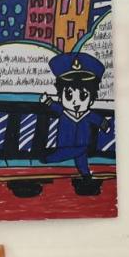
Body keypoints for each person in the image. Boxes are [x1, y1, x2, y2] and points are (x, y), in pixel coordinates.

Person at [40, 51, 109, 194]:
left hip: (82, 144)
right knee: (74, 152)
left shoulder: (87, 114)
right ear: (61, 95)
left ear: (91, 99)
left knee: (81, 158)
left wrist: (104, 124)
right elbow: (55, 106)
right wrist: (48, 101)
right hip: (64, 145)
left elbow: (97, 119)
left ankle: (86, 176)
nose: (75, 102)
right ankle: (64, 158)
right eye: (69, 95)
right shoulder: (64, 111)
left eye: (83, 96)